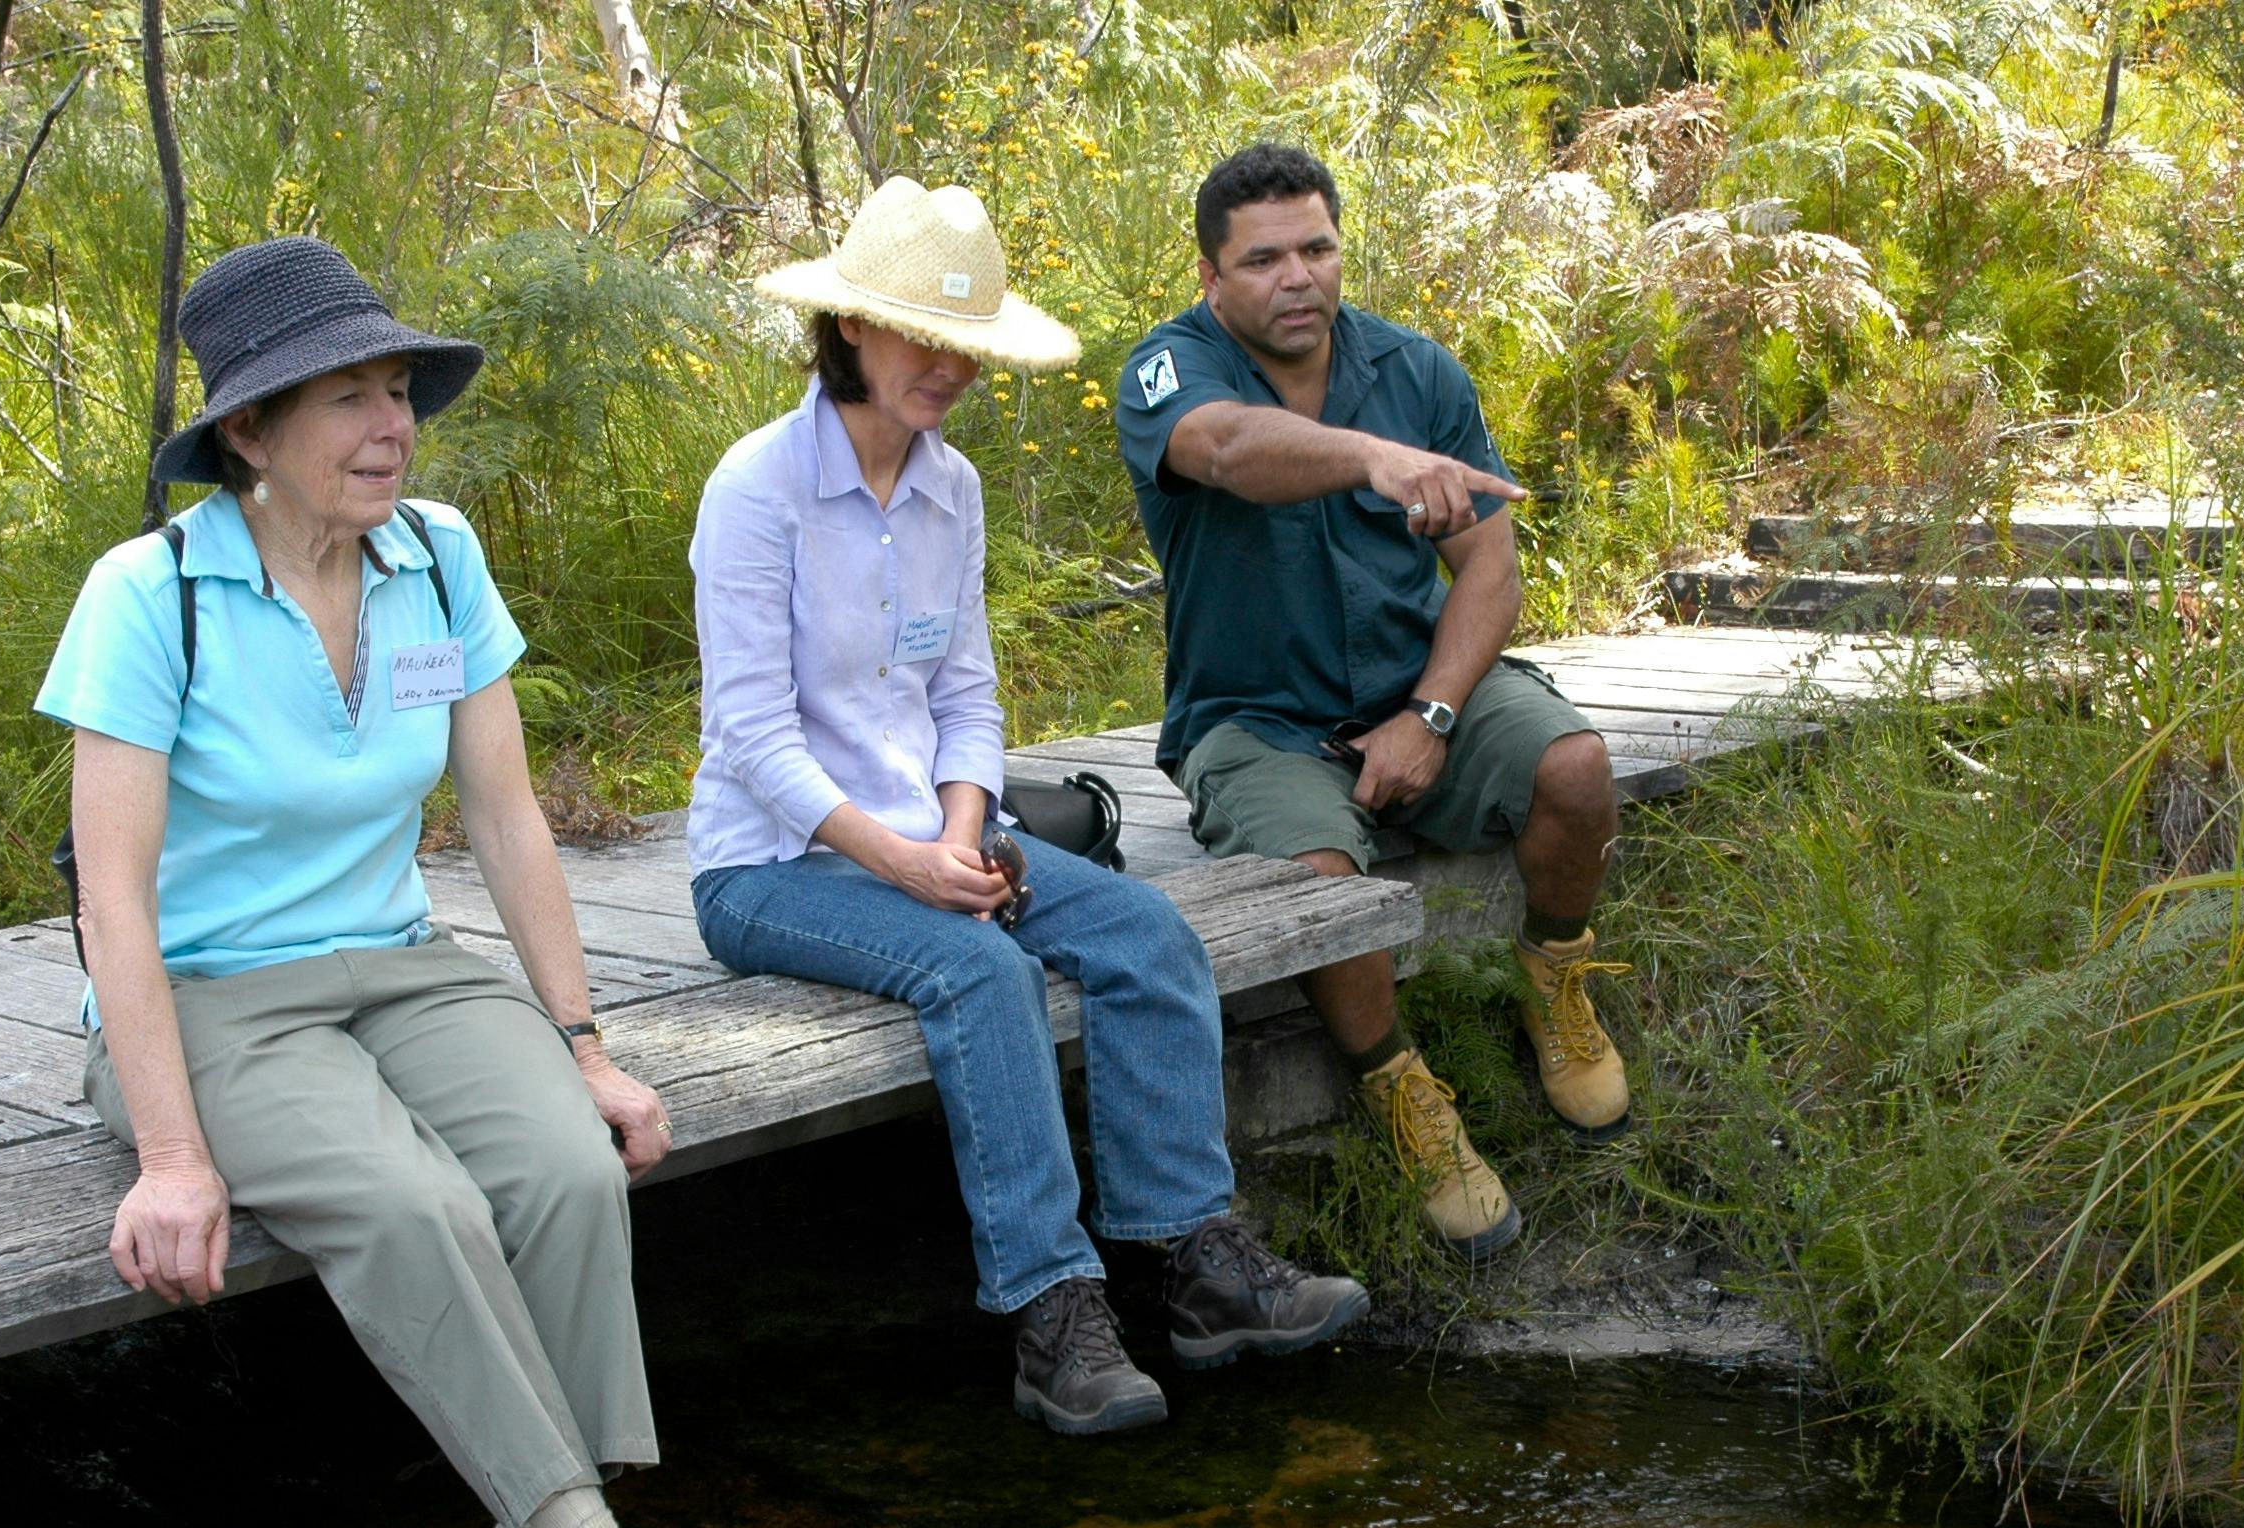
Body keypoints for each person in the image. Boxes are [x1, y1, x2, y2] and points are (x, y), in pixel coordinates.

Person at [36, 235, 768, 1528]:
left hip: (400, 963)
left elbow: (505, 821)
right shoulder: (150, 594)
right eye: (347, 398)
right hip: (207, 995)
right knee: (411, 1202)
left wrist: (585, 1045)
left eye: (399, 392)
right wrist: (170, 1154)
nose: (391, 425)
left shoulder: (436, 556)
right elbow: (113, 898)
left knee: (567, 1171)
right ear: (250, 433)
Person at [686, 178, 1371, 1436]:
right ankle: (1053, 1317)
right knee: (980, 974)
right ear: (848, 327)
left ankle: (1196, 1262)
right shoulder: (756, 487)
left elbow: (966, 699)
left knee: (1149, 936)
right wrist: (903, 862)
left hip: (930, 837)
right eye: (917, 334)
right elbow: (751, 735)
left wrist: (957, 830)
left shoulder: (950, 491)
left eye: (966, 344)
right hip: (775, 860)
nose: (944, 366)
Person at [1112, 142, 1634, 1262]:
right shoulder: (1167, 371)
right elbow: (1229, 451)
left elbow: (1489, 574)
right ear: (1210, 277)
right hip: (1255, 718)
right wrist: (1370, 462)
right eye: (1260, 259)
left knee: (1576, 768)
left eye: (1316, 248)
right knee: (1320, 884)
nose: (1294, 276)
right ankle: (1398, 1083)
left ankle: (1552, 973)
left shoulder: (1417, 371)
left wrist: (1434, 714)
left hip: (1413, 686)